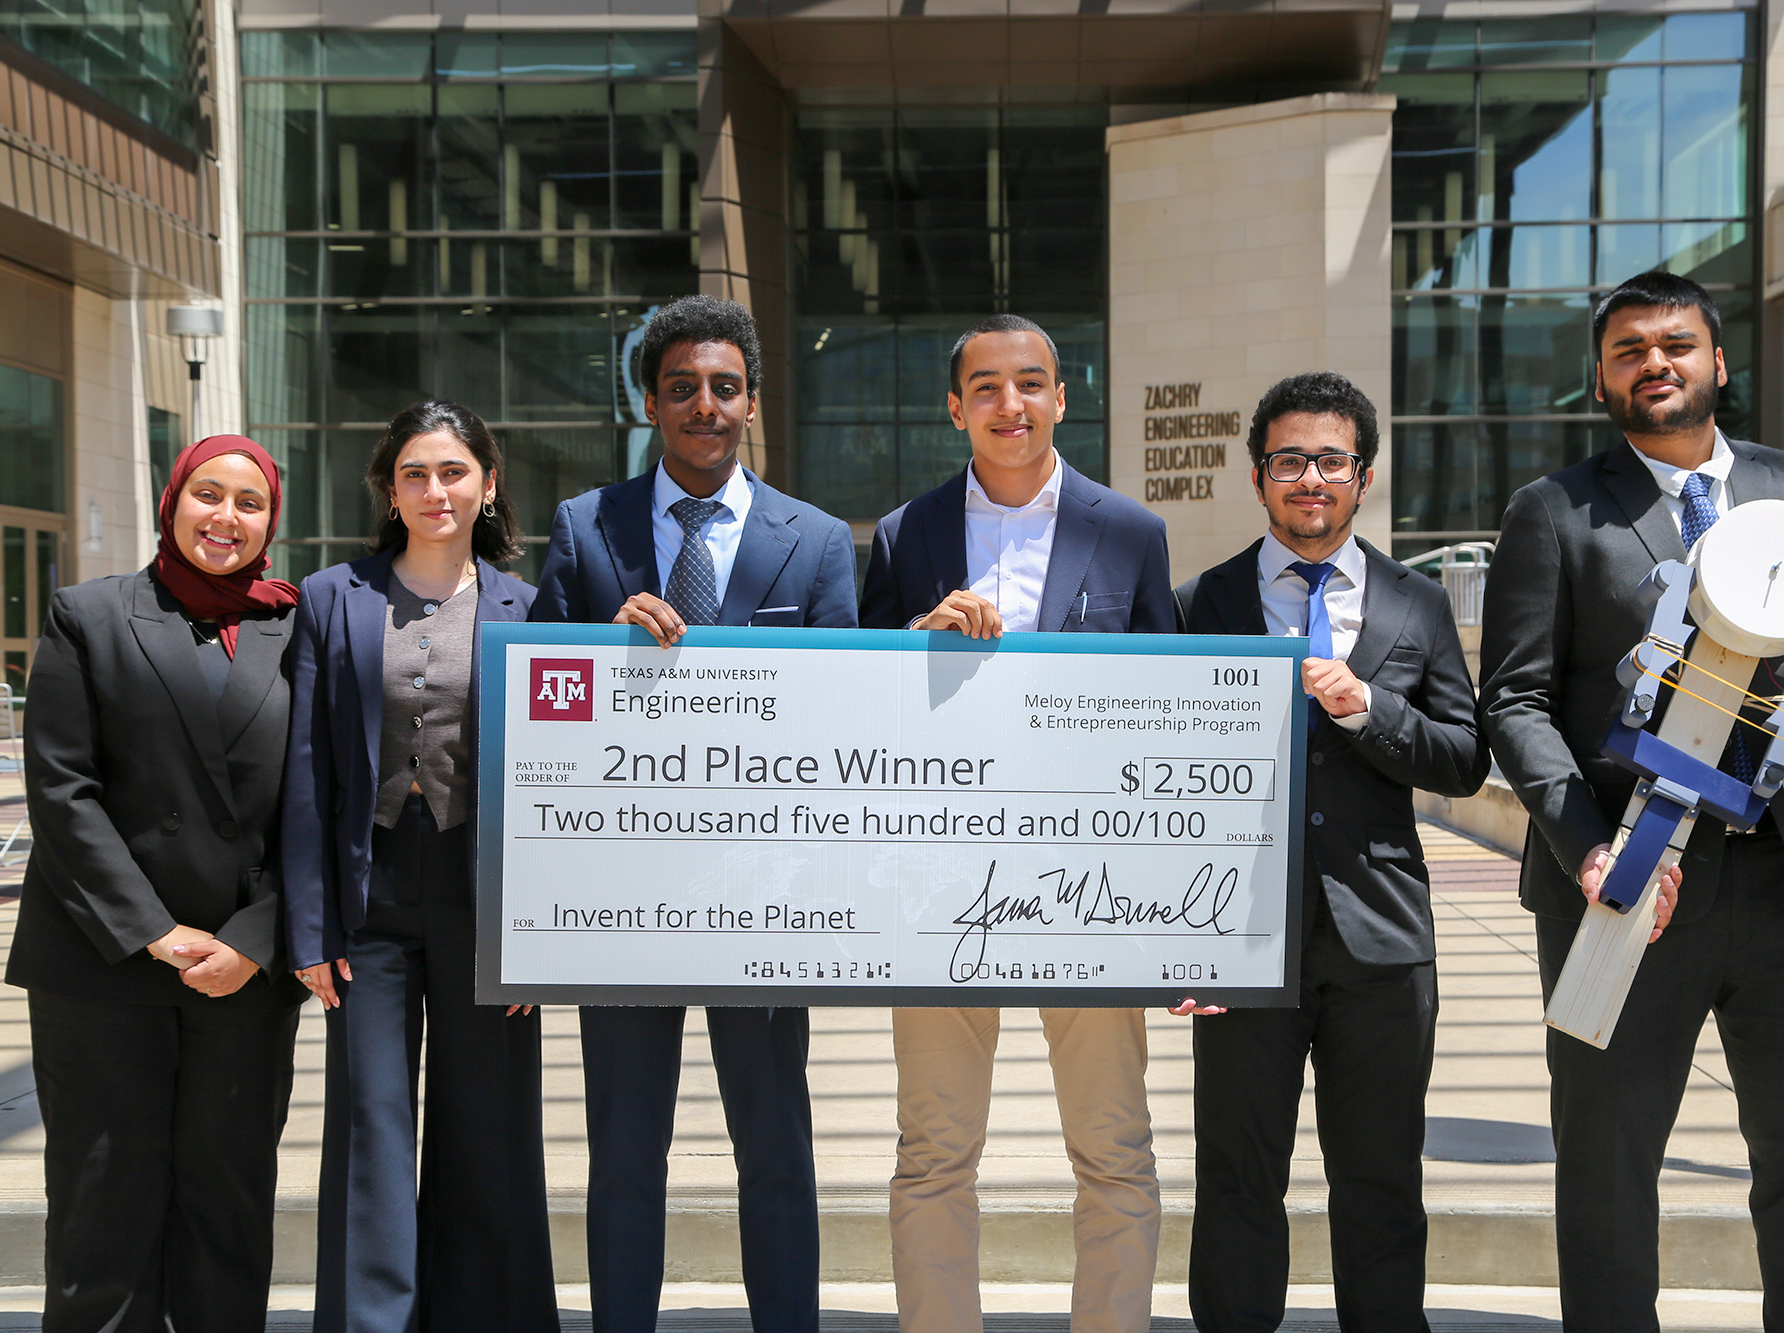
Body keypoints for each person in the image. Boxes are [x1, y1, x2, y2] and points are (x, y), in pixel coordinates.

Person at [1478, 270, 1784, 1332]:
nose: (1653, 363)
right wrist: (1588, 848)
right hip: (1628, 887)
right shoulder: (1551, 512)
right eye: (1627, 348)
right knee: (1605, 1166)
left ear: (1717, 361)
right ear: (1600, 376)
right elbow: (1515, 699)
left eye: (1674, 343)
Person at [532, 294, 856, 1333]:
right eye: (680, 388)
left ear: (751, 402)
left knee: (775, 1146)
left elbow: (844, 713)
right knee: (624, 1148)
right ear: (648, 402)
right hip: (620, 902)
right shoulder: (587, 528)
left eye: (722, 387)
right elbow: (540, 704)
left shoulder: (813, 541)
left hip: (765, 900)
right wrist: (596, 641)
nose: (702, 405)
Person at [860, 313, 1175, 1333]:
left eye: (1030, 383)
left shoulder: (1128, 531)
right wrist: (919, 637)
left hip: (1090, 889)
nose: (1011, 405)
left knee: (1114, 1148)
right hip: (939, 887)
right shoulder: (905, 533)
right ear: (955, 408)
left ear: (1061, 396)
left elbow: (1166, 717)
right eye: (986, 387)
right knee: (933, 1151)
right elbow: (859, 706)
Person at [1169, 371, 1489, 1333]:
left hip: (1382, 938)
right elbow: (1156, 773)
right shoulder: (1200, 600)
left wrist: (1367, 708)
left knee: (1382, 1176)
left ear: (1365, 475)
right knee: (1234, 1174)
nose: (1311, 477)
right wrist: (1178, 938)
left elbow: (1466, 758)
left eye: (1331, 460)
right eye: (1289, 460)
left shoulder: (1418, 603)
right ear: (1259, 476)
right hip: (1239, 941)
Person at [5, 435, 305, 1332]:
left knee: (230, 1200)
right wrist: (152, 929)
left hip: (244, 964)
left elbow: (326, 798)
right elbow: (62, 788)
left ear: (270, 520)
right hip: (103, 959)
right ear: (172, 499)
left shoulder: (298, 625)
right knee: (105, 1202)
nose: (226, 516)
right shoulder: (88, 615)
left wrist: (255, 938)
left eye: (248, 502)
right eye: (207, 494)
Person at [281, 400, 556, 1332]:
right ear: (389, 490)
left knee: (491, 1125)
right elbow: (308, 773)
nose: (435, 490)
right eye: (414, 474)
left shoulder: (535, 603)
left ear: (489, 483)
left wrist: (539, 933)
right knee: (372, 1128)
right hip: (373, 895)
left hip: (488, 899)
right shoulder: (331, 597)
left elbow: (563, 783)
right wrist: (311, 927)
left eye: (453, 472)